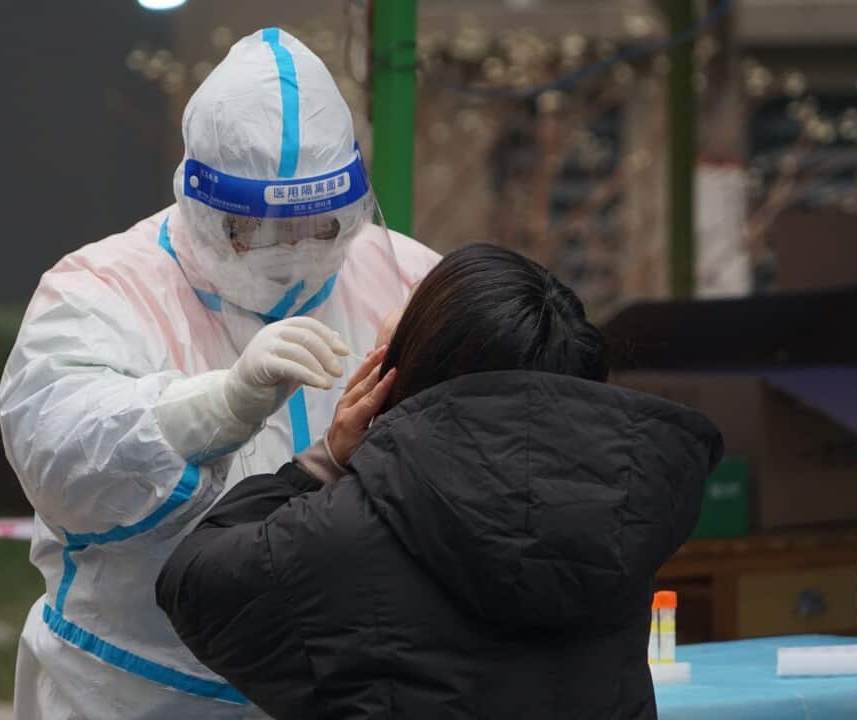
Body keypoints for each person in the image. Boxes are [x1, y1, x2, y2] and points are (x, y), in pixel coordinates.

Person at [0, 27, 437, 720]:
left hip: (344, 693)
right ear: (200, 201)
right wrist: (218, 407)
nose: (291, 252)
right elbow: (60, 454)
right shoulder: (98, 291)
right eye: (255, 228)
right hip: (134, 692)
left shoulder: (410, 282)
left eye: (322, 225)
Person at [156, 244, 724, 720]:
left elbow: (196, 583)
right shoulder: (621, 508)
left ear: (413, 364)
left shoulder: (344, 532)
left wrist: (324, 461)